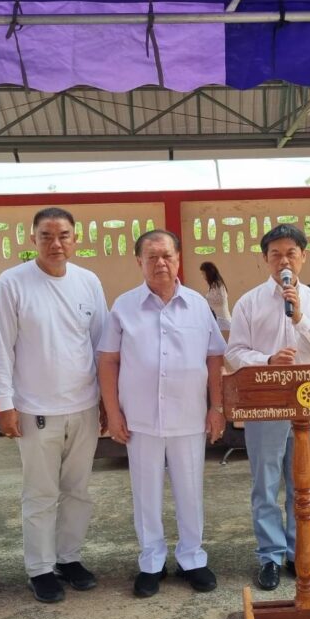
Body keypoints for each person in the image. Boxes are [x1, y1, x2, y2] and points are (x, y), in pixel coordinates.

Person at [0, 207, 108, 603]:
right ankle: (40, 568)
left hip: (84, 405)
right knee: (40, 492)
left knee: (78, 490)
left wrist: (107, 401)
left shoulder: (88, 281)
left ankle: (68, 558)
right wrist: (5, 404)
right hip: (35, 408)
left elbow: (101, 345)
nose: (55, 244)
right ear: (33, 239)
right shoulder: (12, 282)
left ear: (76, 238)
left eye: (63, 235)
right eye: (46, 236)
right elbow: (1, 347)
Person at [99, 230, 226, 598]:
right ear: (139, 261)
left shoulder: (198, 306)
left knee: (190, 490)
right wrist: (112, 412)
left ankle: (192, 558)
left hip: (189, 416)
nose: (160, 263)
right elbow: (108, 360)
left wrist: (216, 408)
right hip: (139, 418)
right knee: (145, 493)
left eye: (167, 256)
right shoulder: (124, 306)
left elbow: (214, 358)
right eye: (152, 257)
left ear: (178, 259)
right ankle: (151, 562)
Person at [226, 224, 310, 591]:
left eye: (291, 253)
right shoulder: (249, 302)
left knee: (303, 485)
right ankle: (270, 556)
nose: (284, 261)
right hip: (266, 407)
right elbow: (234, 353)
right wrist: (267, 360)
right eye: (275, 254)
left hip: (309, 405)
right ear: (265, 259)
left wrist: (300, 319)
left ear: (303, 257)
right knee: (265, 484)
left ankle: (300, 552)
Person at [199, 261, 232, 334]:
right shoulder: (212, 286)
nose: (203, 276)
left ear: (208, 273)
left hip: (223, 321)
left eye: (203, 273)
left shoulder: (218, 285)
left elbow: (221, 300)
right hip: (217, 320)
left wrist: (206, 300)